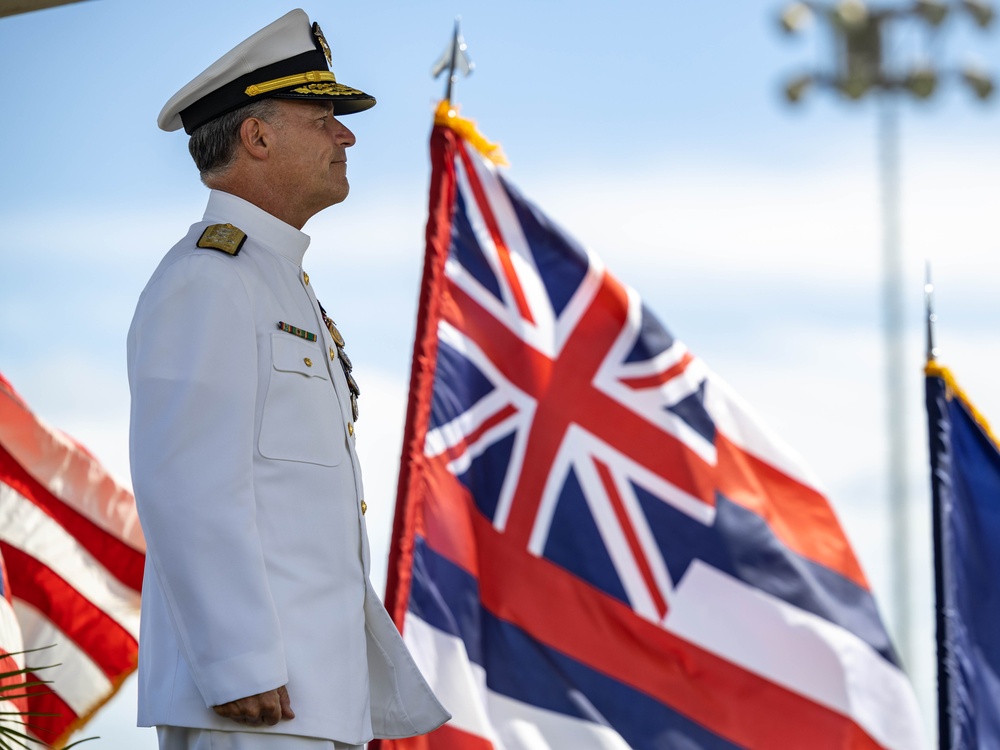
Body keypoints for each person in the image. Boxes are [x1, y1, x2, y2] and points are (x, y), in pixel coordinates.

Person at [127, 9, 450, 750]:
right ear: (258, 137)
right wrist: (236, 661)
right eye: (323, 116)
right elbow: (187, 482)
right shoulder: (207, 279)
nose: (346, 134)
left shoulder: (275, 281)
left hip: (310, 698)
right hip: (254, 697)